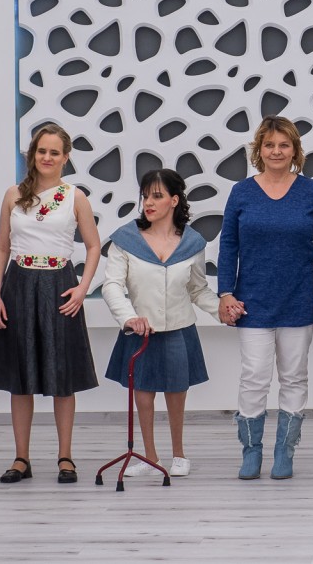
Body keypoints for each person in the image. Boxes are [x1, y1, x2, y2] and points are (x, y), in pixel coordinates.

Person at [0, 123, 100, 484]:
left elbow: (94, 246)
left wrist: (82, 288)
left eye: (54, 152)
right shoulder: (13, 195)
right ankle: (21, 458)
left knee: (63, 376)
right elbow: (1, 247)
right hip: (18, 284)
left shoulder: (75, 196)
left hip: (60, 285)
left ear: (65, 157)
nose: (47, 157)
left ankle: (65, 457)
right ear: (32, 155)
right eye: (41, 151)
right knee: (20, 376)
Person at [217, 115, 313, 480]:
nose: (276, 151)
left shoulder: (311, 192)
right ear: (259, 150)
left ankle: (285, 451)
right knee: (254, 376)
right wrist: (225, 293)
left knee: (294, 376)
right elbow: (228, 245)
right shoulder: (241, 192)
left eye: (284, 145)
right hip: (251, 301)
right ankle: (251, 450)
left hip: (299, 299)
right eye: (269, 145)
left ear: (295, 150)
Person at [102, 169, 220, 478]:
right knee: (143, 394)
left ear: (174, 200)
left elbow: (198, 289)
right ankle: (149, 457)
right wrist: (129, 317)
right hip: (140, 330)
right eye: (145, 197)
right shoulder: (125, 240)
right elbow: (112, 285)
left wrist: (223, 310)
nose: (148, 203)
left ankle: (179, 455)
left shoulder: (192, 243)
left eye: (157, 196)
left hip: (179, 329)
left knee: (177, 392)